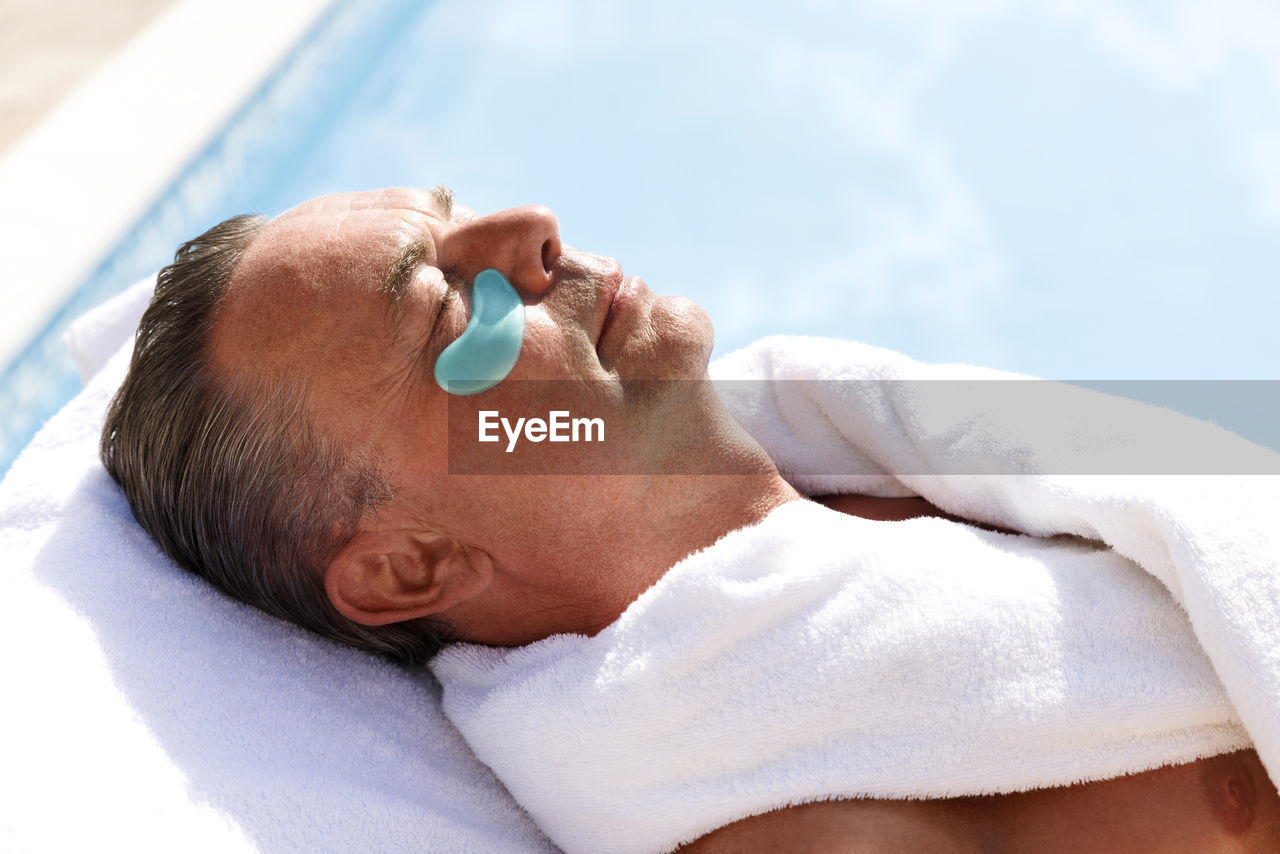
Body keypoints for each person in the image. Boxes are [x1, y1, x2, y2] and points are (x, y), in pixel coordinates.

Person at [101, 187, 1280, 852]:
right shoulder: (815, 817)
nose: (530, 231)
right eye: (446, 300)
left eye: (460, 212)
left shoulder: (870, 478)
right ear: (412, 561)